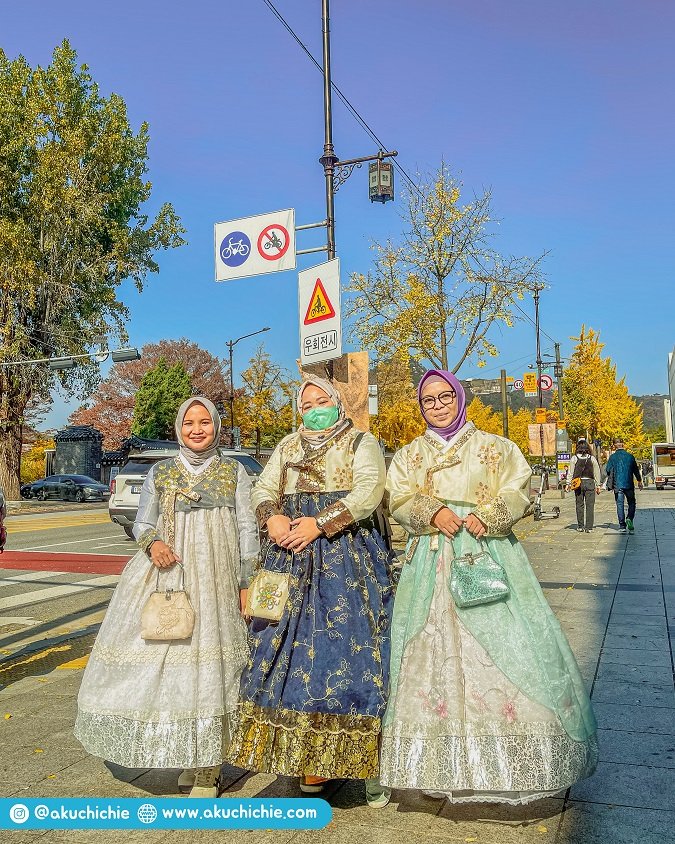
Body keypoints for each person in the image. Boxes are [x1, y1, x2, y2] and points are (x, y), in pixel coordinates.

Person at [379, 369, 597, 804]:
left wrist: (491, 514)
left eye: (445, 397)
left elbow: (519, 488)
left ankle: (509, 760)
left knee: (506, 645)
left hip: (488, 553)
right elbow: (397, 497)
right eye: (428, 400)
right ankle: (436, 763)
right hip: (432, 559)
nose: (438, 405)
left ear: (460, 398)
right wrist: (431, 512)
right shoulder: (408, 455)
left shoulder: (497, 447)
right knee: (430, 650)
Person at [75, 398, 259, 797]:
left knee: (213, 670)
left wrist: (247, 579)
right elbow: (143, 520)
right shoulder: (161, 471)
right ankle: (187, 753)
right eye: (189, 422)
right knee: (172, 666)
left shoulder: (235, 471)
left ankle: (209, 766)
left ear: (217, 426)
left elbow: (248, 527)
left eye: (205, 421)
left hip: (217, 578)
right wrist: (152, 542)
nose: (197, 429)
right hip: (170, 573)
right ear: (178, 428)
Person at [228, 376, 395, 808]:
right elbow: (263, 488)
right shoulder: (287, 446)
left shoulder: (361, 442)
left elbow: (368, 491)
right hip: (288, 558)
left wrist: (319, 523)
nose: (314, 408)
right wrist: (273, 518)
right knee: (283, 653)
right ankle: (308, 762)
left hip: (344, 561)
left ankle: (367, 766)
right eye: (307, 403)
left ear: (338, 404)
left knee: (351, 654)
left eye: (323, 400)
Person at [604, 439, 643, 534]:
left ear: (614, 446)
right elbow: (635, 470)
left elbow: (608, 470)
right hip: (629, 484)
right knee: (632, 502)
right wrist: (639, 481)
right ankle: (629, 518)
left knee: (620, 504)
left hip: (618, 484)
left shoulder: (613, 457)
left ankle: (622, 525)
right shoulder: (630, 456)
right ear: (623, 445)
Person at [566, 441, 602, 532]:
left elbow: (570, 472)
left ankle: (580, 526)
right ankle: (589, 527)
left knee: (579, 505)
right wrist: (598, 485)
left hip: (578, 483)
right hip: (590, 482)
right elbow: (597, 472)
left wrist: (568, 484)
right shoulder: (592, 458)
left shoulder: (574, 458)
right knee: (590, 506)